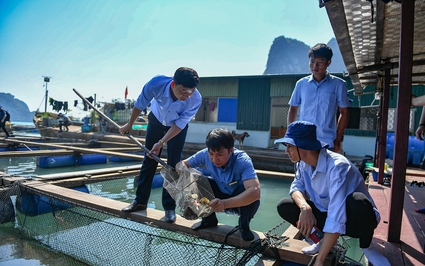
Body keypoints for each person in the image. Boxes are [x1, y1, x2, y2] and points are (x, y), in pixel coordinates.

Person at [275, 121, 390, 266]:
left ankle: (367, 247)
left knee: (358, 201)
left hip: (355, 221)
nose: (286, 151)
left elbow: (337, 215)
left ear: (303, 146)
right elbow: (296, 187)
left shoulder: (338, 167)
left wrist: (320, 261)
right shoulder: (302, 163)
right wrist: (305, 207)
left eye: (290, 146)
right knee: (285, 206)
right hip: (329, 215)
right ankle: (321, 240)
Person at [120, 67, 202, 223]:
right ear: (173, 84)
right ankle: (140, 201)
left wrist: (162, 142)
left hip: (176, 128)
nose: (186, 96)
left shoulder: (196, 99)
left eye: (190, 92)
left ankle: (169, 209)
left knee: (173, 165)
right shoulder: (156, 84)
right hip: (156, 120)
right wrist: (130, 124)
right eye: (183, 91)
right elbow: (140, 103)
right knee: (149, 159)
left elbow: (180, 124)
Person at [180, 127, 260, 241]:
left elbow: (255, 192)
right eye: (211, 154)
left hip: (238, 202)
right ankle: (208, 219)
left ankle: (244, 225)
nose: (214, 159)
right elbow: (182, 164)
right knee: (199, 180)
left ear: (231, 151)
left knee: (250, 192)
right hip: (218, 197)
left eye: (220, 155)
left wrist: (224, 203)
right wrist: (180, 170)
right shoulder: (204, 154)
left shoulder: (242, 160)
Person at [287, 43, 350, 153]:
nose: (315, 66)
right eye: (312, 61)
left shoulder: (338, 85)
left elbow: (344, 112)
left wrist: (338, 138)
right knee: (302, 170)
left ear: (328, 63)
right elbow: (293, 108)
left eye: (320, 62)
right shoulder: (301, 84)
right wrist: (290, 134)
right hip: (303, 141)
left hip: (327, 143)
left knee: (325, 170)